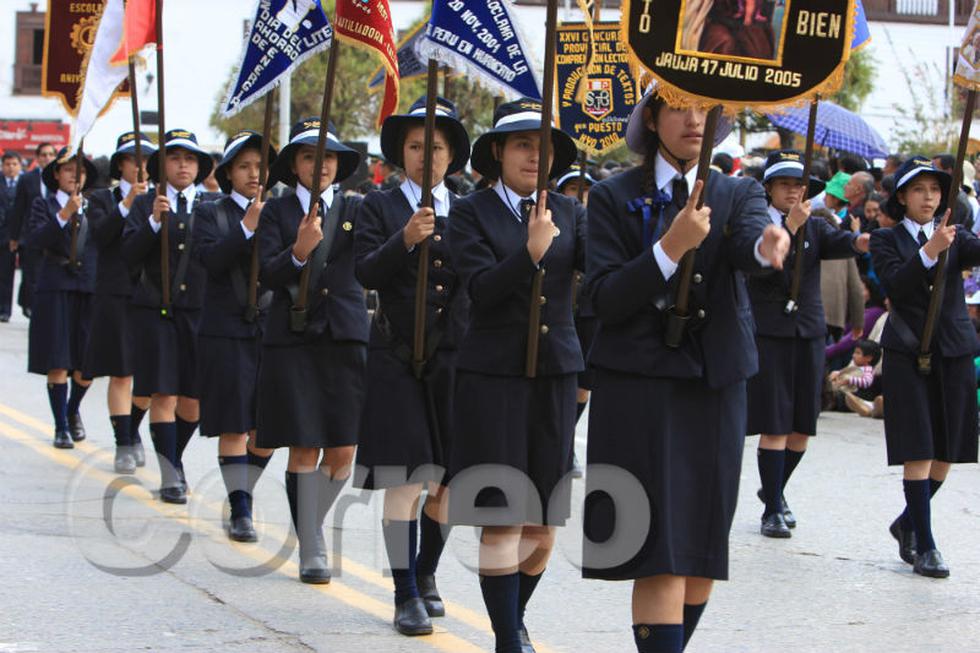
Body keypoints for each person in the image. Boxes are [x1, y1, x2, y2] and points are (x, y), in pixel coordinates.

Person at [582, 87, 789, 653]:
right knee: (660, 555)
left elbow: (750, 244)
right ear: (652, 117)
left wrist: (769, 246)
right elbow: (603, 297)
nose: (694, 119)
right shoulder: (609, 195)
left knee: (699, 556)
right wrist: (668, 249)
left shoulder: (738, 190)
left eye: (703, 107)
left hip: (712, 387)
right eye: (678, 106)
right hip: (639, 389)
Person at [447, 97, 583, 653]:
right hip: (493, 376)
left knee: (543, 526)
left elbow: (594, 291)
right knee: (503, 517)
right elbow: (478, 290)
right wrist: (528, 252)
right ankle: (508, 638)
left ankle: (512, 618)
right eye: (523, 144)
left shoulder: (572, 212)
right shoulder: (470, 211)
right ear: (498, 151)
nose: (535, 156)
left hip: (555, 375)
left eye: (544, 146)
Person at [353, 96, 471, 636]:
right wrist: (405, 238)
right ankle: (404, 594)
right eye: (417, 146)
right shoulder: (377, 206)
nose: (427, 156)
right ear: (402, 152)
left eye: (438, 147)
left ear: (452, 156)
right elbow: (365, 273)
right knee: (406, 479)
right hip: (396, 356)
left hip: (455, 360)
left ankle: (427, 575)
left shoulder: (468, 208)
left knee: (446, 482)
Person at [255, 118, 368, 584]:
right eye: (308, 156)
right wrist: (298, 253)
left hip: (343, 336)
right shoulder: (276, 213)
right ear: (294, 165)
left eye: (328, 156)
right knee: (303, 445)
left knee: (343, 450)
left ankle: (309, 522)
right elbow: (265, 273)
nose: (319, 165)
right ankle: (311, 543)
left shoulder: (359, 210)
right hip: (294, 338)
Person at [746, 150, 868, 538]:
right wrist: (788, 231)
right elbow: (757, 273)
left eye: (798, 185)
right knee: (775, 422)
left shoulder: (816, 226)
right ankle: (772, 509)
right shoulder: (757, 226)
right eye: (784, 184)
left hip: (809, 332)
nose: (792, 192)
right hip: (770, 332)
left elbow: (847, 243)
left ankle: (775, 489)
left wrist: (865, 238)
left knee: (802, 426)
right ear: (768, 189)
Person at [870, 156, 980, 579]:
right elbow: (895, 284)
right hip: (907, 351)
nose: (929, 197)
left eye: (935, 190)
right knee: (918, 448)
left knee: (947, 453)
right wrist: (929, 252)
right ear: (902, 196)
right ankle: (927, 546)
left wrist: (944, 243)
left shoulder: (957, 234)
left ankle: (907, 522)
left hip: (952, 350)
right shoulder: (885, 238)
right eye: (919, 190)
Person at [123, 129, 221, 504]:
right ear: (161, 165)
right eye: (176, 158)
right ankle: (169, 473)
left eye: (191, 159)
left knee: (193, 399)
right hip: (155, 309)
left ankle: (173, 459)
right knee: (163, 391)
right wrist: (151, 222)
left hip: (199, 311)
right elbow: (128, 255)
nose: (184, 165)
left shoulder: (213, 205)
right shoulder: (146, 202)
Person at [192, 131, 278, 542]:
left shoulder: (279, 212)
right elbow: (209, 260)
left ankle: (241, 491)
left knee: (267, 428)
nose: (254, 174)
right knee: (234, 424)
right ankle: (241, 509)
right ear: (228, 173)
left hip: (269, 327)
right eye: (244, 166)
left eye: (260, 166)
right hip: (225, 330)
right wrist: (246, 227)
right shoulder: (213, 212)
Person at [82, 132, 156, 472]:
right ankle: (122, 441)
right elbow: (99, 236)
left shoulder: (159, 198)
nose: (141, 167)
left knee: (149, 377)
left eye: (146, 160)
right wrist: (128, 204)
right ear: (121, 165)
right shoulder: (102, 198)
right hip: (115, 292)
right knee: (122, 373)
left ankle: (133, 427)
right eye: (133, 160)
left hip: (150, 294)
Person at [26, 148, 99, 448]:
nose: (74, 176)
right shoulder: (43, 205)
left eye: (79, 171)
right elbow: (36, 240)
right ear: (56, 174)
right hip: (55, 288)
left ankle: (72, 410)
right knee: (58, 360)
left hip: (87, 290)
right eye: (68, 170)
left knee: (86, 365)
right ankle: (60, 426)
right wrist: (63, 215)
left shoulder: (95, 208)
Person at [10, 142, 58, 318]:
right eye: (43, 155)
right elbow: (19, 208)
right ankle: (30, 305)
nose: (47, 158)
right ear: (37, 158)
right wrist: (14, 236)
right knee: (31, 272)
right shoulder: (27, 179)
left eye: (50, 154)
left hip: (54, 233)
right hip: (30, 234)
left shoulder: (59, 176)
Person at [0, 151, 22, 322]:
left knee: (7, 275)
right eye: (7, 164)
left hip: (13, 237)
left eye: (14, 164)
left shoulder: (24, 183)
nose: (10, 167)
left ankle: (5, 310)